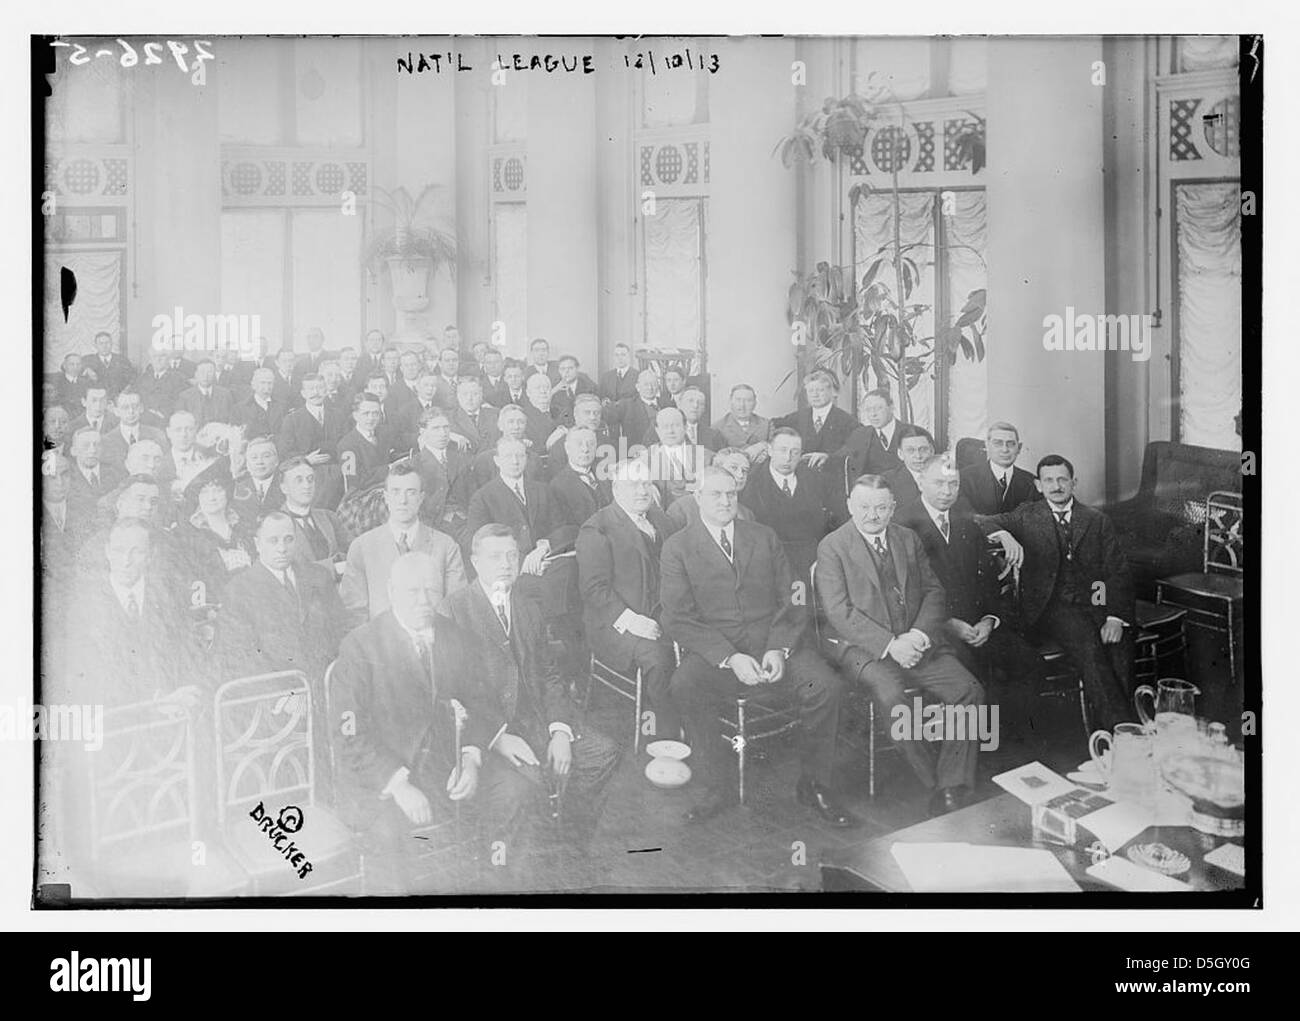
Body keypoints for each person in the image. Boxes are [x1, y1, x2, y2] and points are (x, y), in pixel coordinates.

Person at [661, 466, 851, 826]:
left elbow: (793, 597)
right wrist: (729, 658)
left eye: (731, 493)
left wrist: (779, 648)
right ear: (697, 497)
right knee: (684, 685)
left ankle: (814, 784)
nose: (725, 501)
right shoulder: (677, 547)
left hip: (773, 647)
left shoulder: (763, 536)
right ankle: (717, 785)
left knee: (826, 686)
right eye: (715, 494)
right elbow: (677, 618)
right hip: (720, 653)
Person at [330, 552, 529, 894]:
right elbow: (349, 735)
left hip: (446, 767)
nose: (424, 602)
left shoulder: (456, 636)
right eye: (413, 592)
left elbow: (480, 703)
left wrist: (470, 759)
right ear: (392, 592)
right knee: (389, 837)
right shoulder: (361, 646)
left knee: (513, 791)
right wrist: (398, 785)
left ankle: (499, 896)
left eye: (431, 591)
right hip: (381, 777)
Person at [438, 524, 622, 857]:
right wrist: (497, 737)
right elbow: (454, 693)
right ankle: (531, 852)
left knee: (603, 754)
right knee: (531, 781)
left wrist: (560, 731)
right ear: (475, 562)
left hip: (536, 721)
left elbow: (550, 676)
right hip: (489, 732)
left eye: (512, 555)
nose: (506, 564)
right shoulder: (453, 610)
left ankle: (570, 840)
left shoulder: (528, 607)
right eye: (495, 557)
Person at [815, 474, 986, 816]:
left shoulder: (907, 538)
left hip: (916, 641)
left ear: (893, 507)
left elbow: (934, 592)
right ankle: (935, 782)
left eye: (881, 507)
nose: (872, 515)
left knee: (969, 690)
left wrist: (918, 636)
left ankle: (952, 783)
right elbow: (838, 612)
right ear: (849, 505)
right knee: (893, 698)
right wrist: (891, 645)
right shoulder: (832, 546)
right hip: (863, 650)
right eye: (864, 507)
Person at [975, 454, 1136, 730]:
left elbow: (1116, 571)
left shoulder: (1096, 519)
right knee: (1088, 644)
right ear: (1039, 485)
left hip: (1095, 601)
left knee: (1120, 646)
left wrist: (1114, 618)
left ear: (1074, 483)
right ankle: (1123, 731)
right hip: (1052, 608)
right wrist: (1004, 535)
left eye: (1062, 479)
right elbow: (980, 520)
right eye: (1048, 480)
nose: (1056, 486)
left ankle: (1115, 729)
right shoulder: (1027, 515)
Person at [896, 454, 1046, 710]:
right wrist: (948, 624)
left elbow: (988, 582)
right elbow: (902, 596)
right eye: (939, 483)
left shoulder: (967, 522)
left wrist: (989, 620)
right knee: (974, 677)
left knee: (1030, 663)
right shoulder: (901, 525)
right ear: (920, 482)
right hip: (934, 631)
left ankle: (1014, 734)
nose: (947, 492)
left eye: (953, 484)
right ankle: (988, 734)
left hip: (978, 626)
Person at [577, 459, 683, 741]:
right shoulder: (596, 528)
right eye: (633, 484)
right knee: (659, 660)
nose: (642, 490)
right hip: (616, 623)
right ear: (616, 489)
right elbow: (594, 590)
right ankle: (663, 738)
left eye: (646, 483)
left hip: (664, 615)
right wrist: (634, 622)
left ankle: (693, 726)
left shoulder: (662, 520)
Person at [63, 516, 201, 710]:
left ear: (150, 555)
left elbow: (187, 655)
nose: (125, 561)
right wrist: (156, 701)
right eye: (118, 551)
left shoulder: (169, 597)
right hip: (116, 716)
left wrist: (182, 695)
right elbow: (90, 678)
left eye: (136, 552)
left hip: (176, 710)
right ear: (107, 552)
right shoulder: (84, 607)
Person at [216, 511, 345, 683]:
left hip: (326, 683)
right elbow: (240, 655)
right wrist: (284, 691)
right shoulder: (238, 590)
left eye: (288, 539)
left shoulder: (319, 577)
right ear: (257, 544)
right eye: (273, 540)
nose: (282, 548)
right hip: (277, 691)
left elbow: (340, 630)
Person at [340, 463, 466, 627]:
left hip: (433, 637)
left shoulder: (446, 546)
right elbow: (354, 614)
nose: (403, 500)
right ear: (385, 497)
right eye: (396, 492)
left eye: (411, 492)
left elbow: (456, 609)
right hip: (380, 639)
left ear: (421, 498)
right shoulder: (362, 547)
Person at [740, 427, 835, 584]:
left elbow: (830, 523)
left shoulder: (815, 479)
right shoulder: (751, 482)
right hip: (767, 564)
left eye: (795, 452)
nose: (788, 458)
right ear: (770, 450)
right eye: (782, 450)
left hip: (811, 561)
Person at [176, 460, 256, 603]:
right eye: (205, 492)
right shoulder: (189, 536)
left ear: (227, 493)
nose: (212, 497)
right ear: (197, 497)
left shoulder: (244, 528)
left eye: (218, 490)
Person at [278, 373, 347, 509]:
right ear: (303, 393)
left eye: (320, 388)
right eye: (311, 389)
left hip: (337, 474)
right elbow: (285, 453)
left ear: (326, 391)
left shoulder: (338, 415)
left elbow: (345, 445)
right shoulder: (292, 420)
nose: (316, 393)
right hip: (306, 474)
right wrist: (305, 459)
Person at [277, 455, 350, 570]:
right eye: (299, 480)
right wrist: (334, 566)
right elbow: (290, 569)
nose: (307, 486)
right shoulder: (275, 524)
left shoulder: (329, 517)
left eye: (310, 479)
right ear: (284, 488)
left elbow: (353, 552)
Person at [411, 407, 475, 538]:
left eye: (446, 427)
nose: (443, 433)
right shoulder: (414, 465)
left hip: (467, 521)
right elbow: (415, 508)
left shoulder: (461, 459)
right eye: (436, 428)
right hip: (435, 526)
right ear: (423, 432)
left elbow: (473, 495)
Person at [775, 369, 856, 470]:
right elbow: (772, 426)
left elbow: (854, 448)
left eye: (820, 390)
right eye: (811, 391)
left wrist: (829, 457)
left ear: (832, 392)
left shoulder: (847, 420)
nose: (815, 395)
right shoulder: (798, 417)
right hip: (802, 474)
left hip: (832, 473)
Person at [959, 421, 1041, 515]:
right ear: (987, 446)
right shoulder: (965, 478)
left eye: (1010, 444)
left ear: (1019, 448)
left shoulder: (1031, 482)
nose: (1005, 450)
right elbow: (964, 517)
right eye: (998, 443)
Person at [666, 448, 756, 529]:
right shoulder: (683, 508)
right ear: (716, 468)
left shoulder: (746, 514)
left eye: (745, 471)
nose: (740, 475)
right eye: (734, 468)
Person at [548, 427, 612, 530]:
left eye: (591, 444)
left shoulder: (607, 475)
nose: (585, 449)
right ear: (567, 448)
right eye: (579, 444)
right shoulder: (557, 486)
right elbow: (565, 529)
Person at [839, 387, 908, 480]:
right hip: (869, 487)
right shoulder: (860, 434)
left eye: (878, 408)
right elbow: (840, 456)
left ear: (891, 407)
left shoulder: (910, 433)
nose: (873, 414)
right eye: (868, 410)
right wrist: (825, 457)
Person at [646, 406, 710, 506]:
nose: (670, 431)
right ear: (657, 430)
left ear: (685, 427)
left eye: (676, 425)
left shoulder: (706, 458)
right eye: (665, 426)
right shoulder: (645, 460)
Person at [470, 405, 541, 491]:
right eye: (511, 422)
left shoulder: (533, 459)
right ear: (500, 426)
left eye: (521, 422)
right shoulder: (485, 460)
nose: (516, 427)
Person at [99, 390, 167, 475]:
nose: (131, 411)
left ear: (141, 408)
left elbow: (164, 467)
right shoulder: (106, 441)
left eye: (135, 406)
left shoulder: (157, 435)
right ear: (116, 411)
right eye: (125, 407)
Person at [336, 392, 391, 493]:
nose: (371, 418)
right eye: (366, 413)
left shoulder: (384, 434)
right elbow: (353, 482)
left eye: (375, 413)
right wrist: (389, 469)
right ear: (355, 415)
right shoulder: (346, 446)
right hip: (363, 496)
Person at [67, 427, 123, 525]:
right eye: (86, 445)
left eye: (97, 445)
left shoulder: (117, 474)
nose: (93, 450)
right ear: (74, 451)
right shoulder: (65, 479)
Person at [231, 435, 283, 526]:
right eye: (254, 457)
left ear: (276, 460)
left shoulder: (285, 485)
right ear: (247, 463)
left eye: (266, 456)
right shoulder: (236, 488)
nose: (260, 462)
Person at [716, 384, 772, 464]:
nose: (742, 405)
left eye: (748, 400)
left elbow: (775, 448)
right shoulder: (718, 427)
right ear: (730, 401)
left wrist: (763, 445)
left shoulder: (766, 424)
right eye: (738, 400)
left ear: (755, 403)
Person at [174, 359, 236, 428]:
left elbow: (231, 421)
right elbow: (180, 422)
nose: (205, 376)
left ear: (214, 374)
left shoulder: (225, 394)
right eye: (202, 372)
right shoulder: (185, 397)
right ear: (196, 374)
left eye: (209, 372)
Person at [609, 369, 661, 453]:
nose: (650, 388)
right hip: (636, 453)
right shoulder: (626, 405)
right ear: (638, 387)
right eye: (646, 384)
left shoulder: (667, 404)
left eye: (654, 384)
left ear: (658, 386)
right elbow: (608, 417)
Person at [447, 377, 499, 455]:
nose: (469, 398)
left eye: (475, 394)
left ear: (481, 395)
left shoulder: (496, 415)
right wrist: (450, 436)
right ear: (458, 396)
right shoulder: (448, 418)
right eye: (465, 394)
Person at [136, 350, 189, 424]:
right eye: (155, 356)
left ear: (169, 359)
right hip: (144, 420)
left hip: (167, 421)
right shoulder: (143, 378)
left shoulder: (179, 379)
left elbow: (181, 404)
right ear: (150, 360)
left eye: (162, 356)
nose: (158, 359)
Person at [548, 355, 597, 427]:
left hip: (585, 427)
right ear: (558, 371)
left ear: (577, 369)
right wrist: (553, 392)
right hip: (561, 427)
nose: (566, 372)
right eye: (563, 369)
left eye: (570, 368)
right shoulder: (553, 388)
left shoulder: (589, 386)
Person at [82, 331, 135, 398]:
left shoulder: (122, 360)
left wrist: (125, 392)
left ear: (112, 344)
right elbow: (75, 372)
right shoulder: (87, 360)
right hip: (97, 400)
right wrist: (87, 369)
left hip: (118, 398)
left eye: (107, 343)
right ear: (95, 345)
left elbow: (132, 379)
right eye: (101, 343)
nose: (104, 346)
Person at [674, 388, 726, 452]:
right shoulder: (668, 432)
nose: (695, 406)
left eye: (700, 403)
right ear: (679, 405)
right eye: (690, 401)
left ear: (703, 409)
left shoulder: (714, 436)